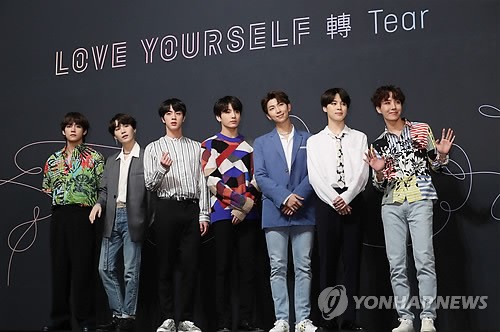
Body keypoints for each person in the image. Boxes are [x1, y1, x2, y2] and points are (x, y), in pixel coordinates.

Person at [364, 85, 455, 332]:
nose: (392, 107)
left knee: (424, 258)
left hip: (420, 199)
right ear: (378, 108)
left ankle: (428, 317)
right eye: (386, 103)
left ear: (401, 105)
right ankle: (405, 318)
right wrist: (380, 172)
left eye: (395, 102)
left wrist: (441, 156)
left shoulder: (421, 130)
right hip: (392, 204)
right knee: (397, 263)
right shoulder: (378, 143)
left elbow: (436, 167)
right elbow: (378, 186)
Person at [144, 98, 210, 332]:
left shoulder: (195, 147)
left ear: (183, 117)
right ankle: (168, 317)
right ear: (163, 119)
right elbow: (150, 185)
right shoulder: (153, 148)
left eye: (178, 113)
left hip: (191, 208)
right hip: (166, 207)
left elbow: (202, 181)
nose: (173, 116)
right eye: (169, 113)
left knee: (191, 265)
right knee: (164, 265)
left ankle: (186, 319)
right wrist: (162, 168)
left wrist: (204, 214)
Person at [253, 91, 317, 332]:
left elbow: (315, 171)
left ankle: (303, 320)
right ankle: (281, 319)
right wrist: (284, 198)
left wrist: (296, 197)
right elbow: (260, 176)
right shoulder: (261, 142)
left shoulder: (309, 139)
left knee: (303, 266)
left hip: (304, 209)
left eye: (280, 104)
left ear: (289, 106)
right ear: (268, 115)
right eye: (272, 107)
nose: (278, 109)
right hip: (274, 212)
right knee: (277, 267)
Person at [306, 88, 368, 331]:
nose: (338, 107)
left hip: (354, 202)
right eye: (333, 103)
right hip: (326, 203)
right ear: (325, 108)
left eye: (343, 103)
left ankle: (350, 319)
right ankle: (328, 319)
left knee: (352, 263)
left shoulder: (359, 137)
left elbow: (364, 173)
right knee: (327, 263)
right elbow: (315, 176)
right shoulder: (315, 141)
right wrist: (335, 200)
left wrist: (347, 197)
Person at [201, 96, 262, 332]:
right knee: (222, 269)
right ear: (219, 116)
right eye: (227, 111)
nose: (232, 115)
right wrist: (239, 204)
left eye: (236, 110)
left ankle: (246, 321)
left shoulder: (250, 148)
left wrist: (245, 208)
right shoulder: (209, 145)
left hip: (248, 216)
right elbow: (211, 181)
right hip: (222, 214)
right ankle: (223, 323)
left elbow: (257, 181)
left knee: (247, 270)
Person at [42, 112, 104, 332]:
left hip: (84, 215)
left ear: (84, 131)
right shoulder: (52, 160)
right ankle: (60, 319)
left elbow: (101, 188)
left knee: (82, 269)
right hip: (59, 215)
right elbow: (47, 187)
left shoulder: (95, 157)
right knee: (59, 269)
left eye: (78, 126)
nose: (73, 129)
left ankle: (86, 320)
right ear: (63, 131)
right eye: (69, 126)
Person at [89, 114, 149, 332]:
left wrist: (148, 220)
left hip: (134, 218)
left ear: (133, 128)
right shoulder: (111, 161)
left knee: (130, 270)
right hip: (112, 217)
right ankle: (118, 313)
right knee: (104, 268)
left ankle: (128, 316)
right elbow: (104, 190)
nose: (122, 130)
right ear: (114, 135)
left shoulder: (145, 157)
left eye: (125, 126)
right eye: (117, 128)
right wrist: (98, 204)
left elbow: (151, 192)